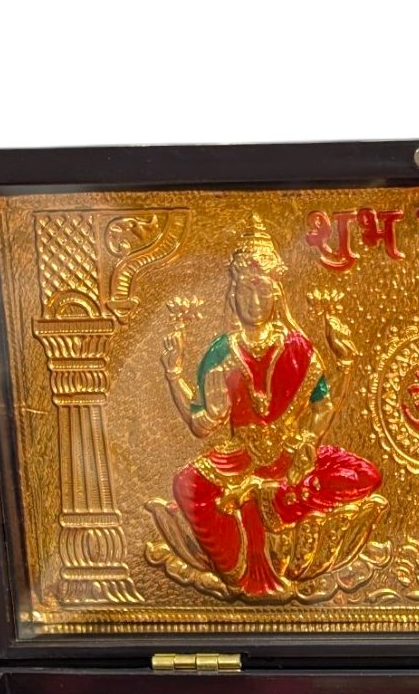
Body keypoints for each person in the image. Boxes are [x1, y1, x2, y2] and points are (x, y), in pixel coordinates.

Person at [151, 216, 383, 599]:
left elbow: (322, 405)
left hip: (289, 457)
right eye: (246, 291)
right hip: (238, 459)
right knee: (185, 484)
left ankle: (273, 497)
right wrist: (174, 373)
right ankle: (240, 568)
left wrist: (310, 434)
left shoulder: (297, 347)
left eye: (262, 290)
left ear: (276, 292)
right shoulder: (221, 351)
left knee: (364, 475)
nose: (254, 301)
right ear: (233, 294)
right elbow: (200, 424)